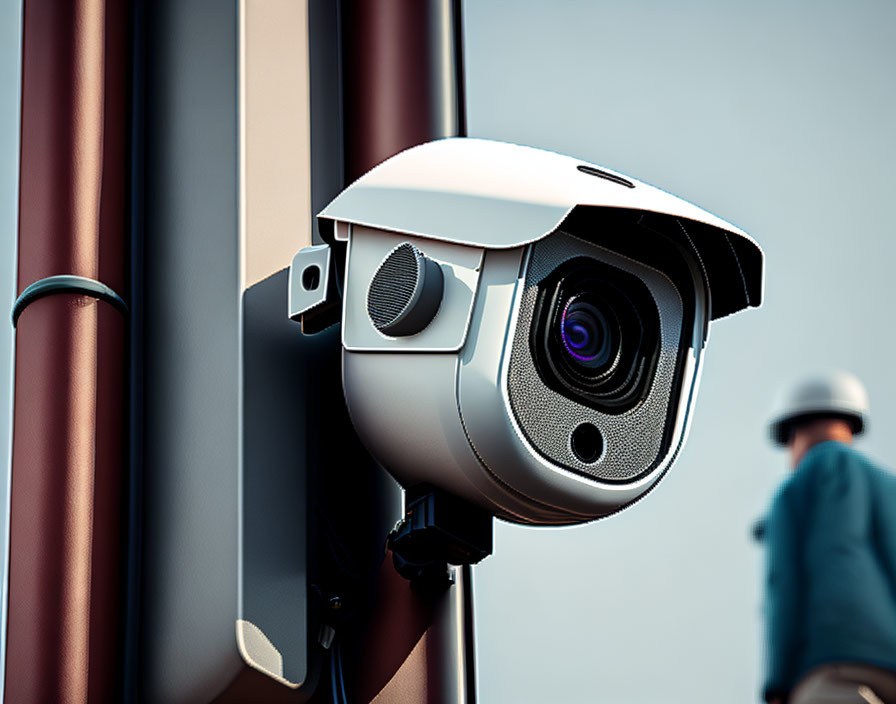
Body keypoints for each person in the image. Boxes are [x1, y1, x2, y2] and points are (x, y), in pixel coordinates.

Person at [761, 372, 896, 704]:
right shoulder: (889, 487)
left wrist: (779, 682)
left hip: (831, 663)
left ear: (796, 431)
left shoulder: (795, 490)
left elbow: (785, 586)